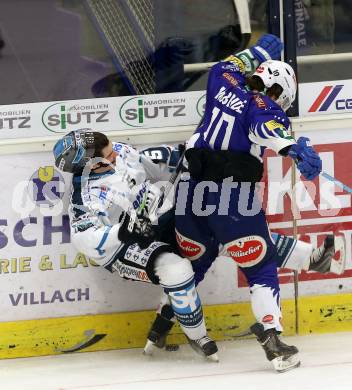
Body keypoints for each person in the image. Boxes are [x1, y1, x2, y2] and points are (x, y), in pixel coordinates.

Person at [164, 33, 324, 372]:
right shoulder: (265, 107)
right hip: (231, 199)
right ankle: (272, 340)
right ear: (277, 92)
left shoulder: (223, 82)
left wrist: (259, 50)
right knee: (261, 264)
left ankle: (161, 325)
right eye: (283, 100)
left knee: (194, 265)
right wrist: (294, 150)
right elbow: (268, 128)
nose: (282, 106)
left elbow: (228, 64)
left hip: (188, 196)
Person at [52, 130, 219, 361]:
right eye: (109, 156)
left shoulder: (119, 151)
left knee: (212, 229)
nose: (116, 156)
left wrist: (184, 158)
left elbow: (152, 167)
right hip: (121, 248)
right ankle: (198, 336)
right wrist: (122, 231)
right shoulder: (85, 197)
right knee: (176, 270)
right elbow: (85, 239)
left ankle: (163, 320)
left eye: (113, 150)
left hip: (157, 220)